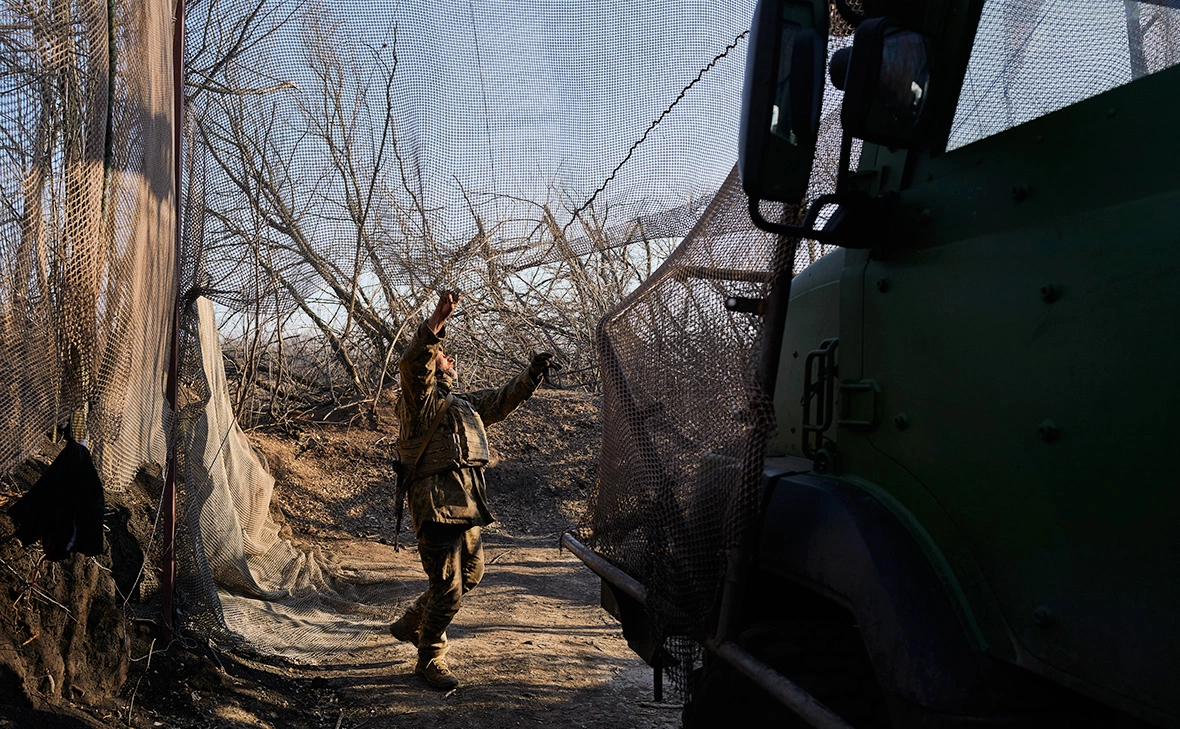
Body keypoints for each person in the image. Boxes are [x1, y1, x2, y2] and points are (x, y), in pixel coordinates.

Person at [389, 290, 558, 690]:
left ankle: (414, 618)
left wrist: (531, 374)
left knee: (472, 573)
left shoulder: (460, 404)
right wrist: (435, 322)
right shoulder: (420, 403)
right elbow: (415, 364)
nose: (451, 358)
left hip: (466, 501)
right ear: (436, 364)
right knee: (448, 590)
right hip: (434, 504)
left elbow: (501, 401)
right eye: (446, 355)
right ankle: (430, 659)